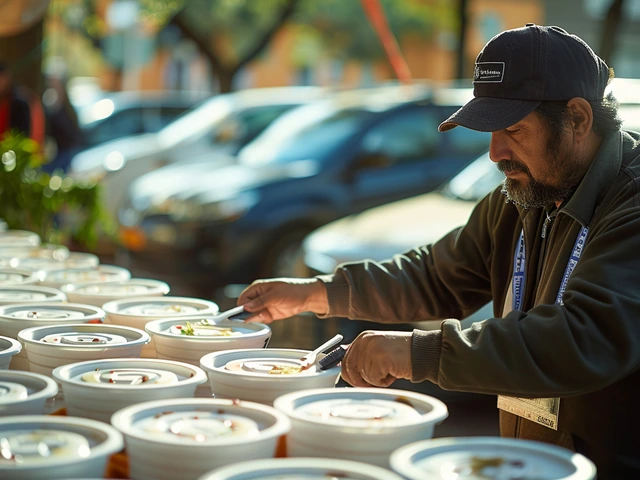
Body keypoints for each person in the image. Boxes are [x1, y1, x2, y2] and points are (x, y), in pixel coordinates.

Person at [237, 24, 640, 479]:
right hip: (534, 461)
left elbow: (584, 338)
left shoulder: (632, 204)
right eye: (488, 130)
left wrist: (417, 353)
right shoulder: (528, 190)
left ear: (578, 120)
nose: (494, 152)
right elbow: (436, 275)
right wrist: (315, 293)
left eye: (513, 129)